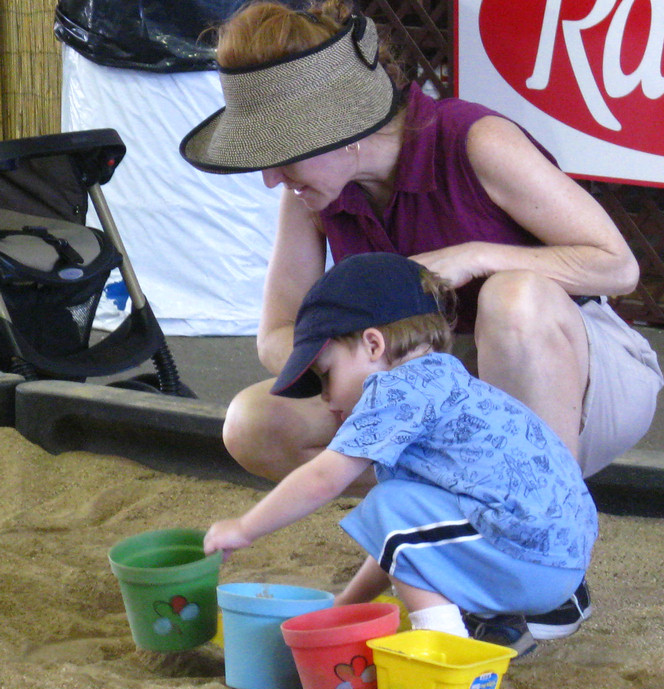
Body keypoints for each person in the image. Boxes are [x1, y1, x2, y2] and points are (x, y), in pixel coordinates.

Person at [182, 0, 662, 644]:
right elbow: (277, 336)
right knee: (255, 421)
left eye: (281, 154)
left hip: (577, 370)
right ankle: (448, 549)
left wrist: (475, 257)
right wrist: (379, 378)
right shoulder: (314, 192)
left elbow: (617, 267)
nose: (271, 178)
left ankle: (542, 571)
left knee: (512, 298)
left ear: (344, 130)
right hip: (438, 394)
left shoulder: (474, 139)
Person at [204, 253, 598, 656]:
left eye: (327, 374)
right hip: (553, 561)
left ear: (373, 344)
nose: (325, 397)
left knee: (388, 501)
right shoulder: (446, 381)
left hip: (527, 558)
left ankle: (440, 650)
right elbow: (403, 545)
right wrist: (344, 608)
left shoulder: (396, 390)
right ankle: (490, 630)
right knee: (399, 507)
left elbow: (324, 478)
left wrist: (245, 528)